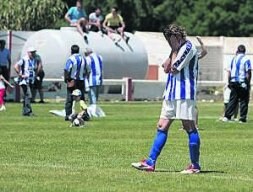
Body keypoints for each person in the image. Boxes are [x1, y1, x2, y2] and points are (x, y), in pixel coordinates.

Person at [132, 24, 201, 174]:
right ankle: (150, 162)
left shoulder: (189, 47)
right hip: (170, 93)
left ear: (177, 37)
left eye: (171, 40)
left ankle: (195, 165)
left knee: (189, 126)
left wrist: (174, 51)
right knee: (161, 126)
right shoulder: (175, 49)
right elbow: (165, 67)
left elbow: (174, 67)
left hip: (184, 93)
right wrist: (172, 50)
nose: (170, 44)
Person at [223, 45, 251, 123]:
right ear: (245, 51)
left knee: (232, 100)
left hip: (233, 81)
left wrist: (229, 82)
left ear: (237, 50)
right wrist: (248, 83)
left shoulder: (233, 59)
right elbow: (248, 72)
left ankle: (227, 116)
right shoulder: (246, 59)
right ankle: (242, 118)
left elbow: (230, 72)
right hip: (242, 82)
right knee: (244, 100)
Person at [64, 44, 89, 121]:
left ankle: (68, 115)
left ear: (71, 51)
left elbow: (67, 69)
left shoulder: (71, 59)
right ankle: (84, 115)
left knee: (70, 98)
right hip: (81, 81)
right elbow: (87, 70)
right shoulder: (84, 59)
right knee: (81, 99)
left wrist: (66, 79)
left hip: (72, 80)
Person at [14, 47, 38, 116]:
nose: (33, 53)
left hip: (30, 80)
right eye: (32, 52)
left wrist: (35, 76)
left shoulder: (34, 60)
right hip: (24, 81)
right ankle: (28, 111)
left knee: (26, 96)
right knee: (28, 95)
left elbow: (34, 69)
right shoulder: (24, 59)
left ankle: (25, 112)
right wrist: (20, 74)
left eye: (34, 52)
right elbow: (16, 66)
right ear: (28, 52)